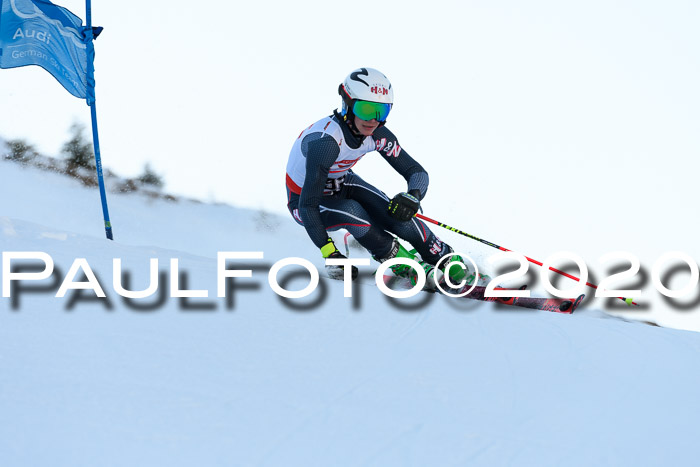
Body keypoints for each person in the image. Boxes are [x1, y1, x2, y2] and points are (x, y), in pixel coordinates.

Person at [285, 67, 468, 288]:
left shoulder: (377, 134)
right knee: (353, 211)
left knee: (395, 212)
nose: (373, 120)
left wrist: (413, 197)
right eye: (366, 109)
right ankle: (404, 263)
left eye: (382, 112)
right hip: (305, 201)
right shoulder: (326, 143)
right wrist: (329, 252)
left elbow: (416, 172)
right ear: (348, 104)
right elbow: (308, 205)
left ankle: (443, 256)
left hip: (342, 182)